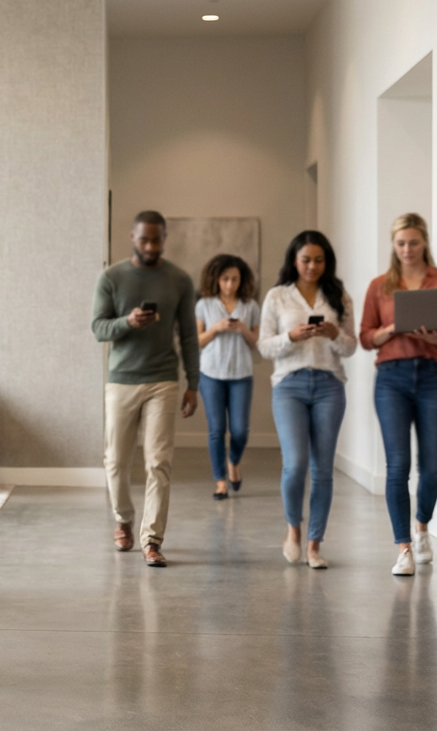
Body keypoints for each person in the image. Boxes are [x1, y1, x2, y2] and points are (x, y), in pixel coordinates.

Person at [92, 210, 200, 568]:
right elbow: (98, 328)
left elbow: (187, 335)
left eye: (157, 240)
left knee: (159, 462)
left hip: (163, 380)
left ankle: (152, 540)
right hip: (122, 380)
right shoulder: (112, 277)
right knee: (116, 460)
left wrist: (193, 383)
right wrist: (128, 321)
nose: (151, 246)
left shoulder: (180, 280)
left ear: (164, 239)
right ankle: (123, 518)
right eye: (144, 239)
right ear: (132, 237)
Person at [359, 213, 437, 576]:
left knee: (431, 467)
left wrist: (432, 337)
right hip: (392, 378)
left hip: (434, 375)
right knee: (397, 465)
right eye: (401, 243)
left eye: (413, 242)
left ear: (424, 243)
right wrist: (392, 329)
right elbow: (365, 337)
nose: (407, 249)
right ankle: (402, 547)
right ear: (393, 245)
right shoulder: (379, 287)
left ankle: (422, 526)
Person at [259, 231, 357, 569]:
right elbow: (263, 346)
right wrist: (291, 336)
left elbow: (350, 347)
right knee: (295, 464)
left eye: (319, 260)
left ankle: (315, 544)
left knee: (323, 469)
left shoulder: (338, 296)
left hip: (330, 384)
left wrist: (334, 334)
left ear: (327, 262)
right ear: (294, 261)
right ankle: (293, 532)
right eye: (305, 260)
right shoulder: (277, 297)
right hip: (289, 385)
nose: (312, 266)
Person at [195, 254, 260, 500]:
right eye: (225, 279)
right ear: (216, 279)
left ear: (242, 280)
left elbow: (256, 344)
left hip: (241, 375)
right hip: (210, 374)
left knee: (240, 430)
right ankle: (220, 481)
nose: (230, 284)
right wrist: (215, 329)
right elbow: (197, 342)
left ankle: (234, 461)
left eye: (234, 279)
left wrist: (242, 328)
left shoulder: (251, 306)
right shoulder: (204, 305)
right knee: (216, 430)